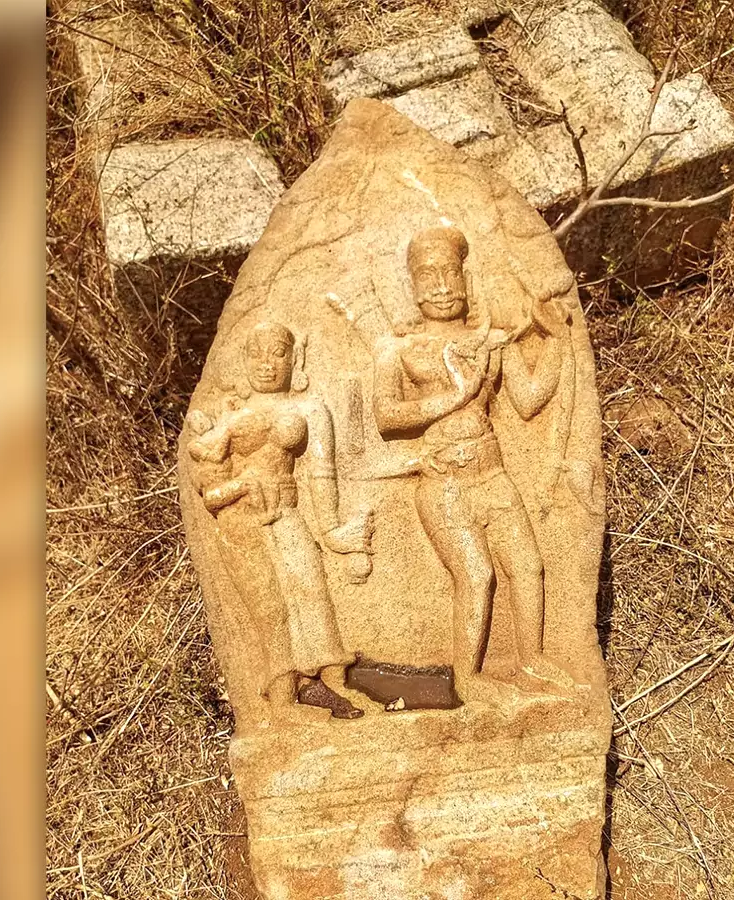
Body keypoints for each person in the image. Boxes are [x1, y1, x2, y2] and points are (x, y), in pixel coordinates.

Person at [371, 226, 574, 702]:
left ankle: (531, 659)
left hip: (493, 473)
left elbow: (528, 400)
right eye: (427, 275)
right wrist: (455, 395)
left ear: (464, 277)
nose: (441, 285)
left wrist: (556, 341)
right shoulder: (399, 350)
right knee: (477, 574)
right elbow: (387, 417)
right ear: (413, 287)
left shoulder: (489, 343)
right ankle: (467, 678)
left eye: (449, 272)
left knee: (528, 565)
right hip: (446, 484)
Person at [189, 321, 370, 719]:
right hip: (242, 522)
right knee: (269, 607)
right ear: (243, 361)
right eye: (257, 354)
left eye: (278, 354)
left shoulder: (308, 408)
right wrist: (240, 483)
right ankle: (284, 700)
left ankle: (322, 685)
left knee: (311, 591)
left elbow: (322, 472)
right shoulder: (228, 420)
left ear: (295, 359)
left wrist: (332, 529)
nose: (267, 365)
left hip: (287, 511)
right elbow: (207, 481)